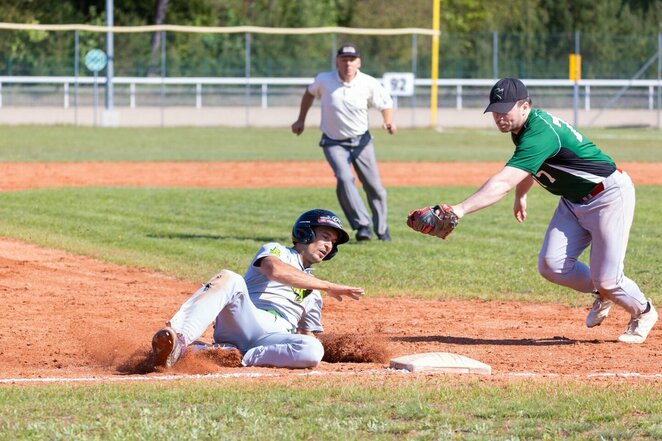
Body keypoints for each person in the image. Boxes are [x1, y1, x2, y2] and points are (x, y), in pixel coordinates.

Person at [419, 77, 657, 344]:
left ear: (524, 105)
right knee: (552, 265)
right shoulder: (521, 130)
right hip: (572, 200)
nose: (499, 117)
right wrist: (522, 196)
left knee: (608, 278)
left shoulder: (540, 132)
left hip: (608, 197)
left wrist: (459, 210)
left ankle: (643, 311)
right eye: (495, 111)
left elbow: (502, 182)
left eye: (505, 109)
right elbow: (531, 166)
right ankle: (603, 293)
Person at [151, 209, 365, 369]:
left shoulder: (315, 293)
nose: (329, 246)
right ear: (305, 233)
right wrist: (327, 285)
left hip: (273, 338)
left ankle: (231, 355)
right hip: (245, 318)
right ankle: (179, 341)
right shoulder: (276, 251)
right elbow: (274, 271)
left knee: (312, 349)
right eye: (325, 237)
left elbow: (308, 334)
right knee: (230, 277)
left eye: (333, 243)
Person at [291, 44, 396, 242]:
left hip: (361, 141)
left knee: (375, 187)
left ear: (359, 62)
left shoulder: (368, 82)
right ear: (337, 62)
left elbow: (385, 103)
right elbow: (309, 94)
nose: (348, 63)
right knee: (345, 178)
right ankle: (362, 225)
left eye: (352, 59)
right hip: (333, 141)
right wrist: (300, 120)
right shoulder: (324, 80)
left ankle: (382, 229)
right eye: (344, 59)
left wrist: (388, 121)